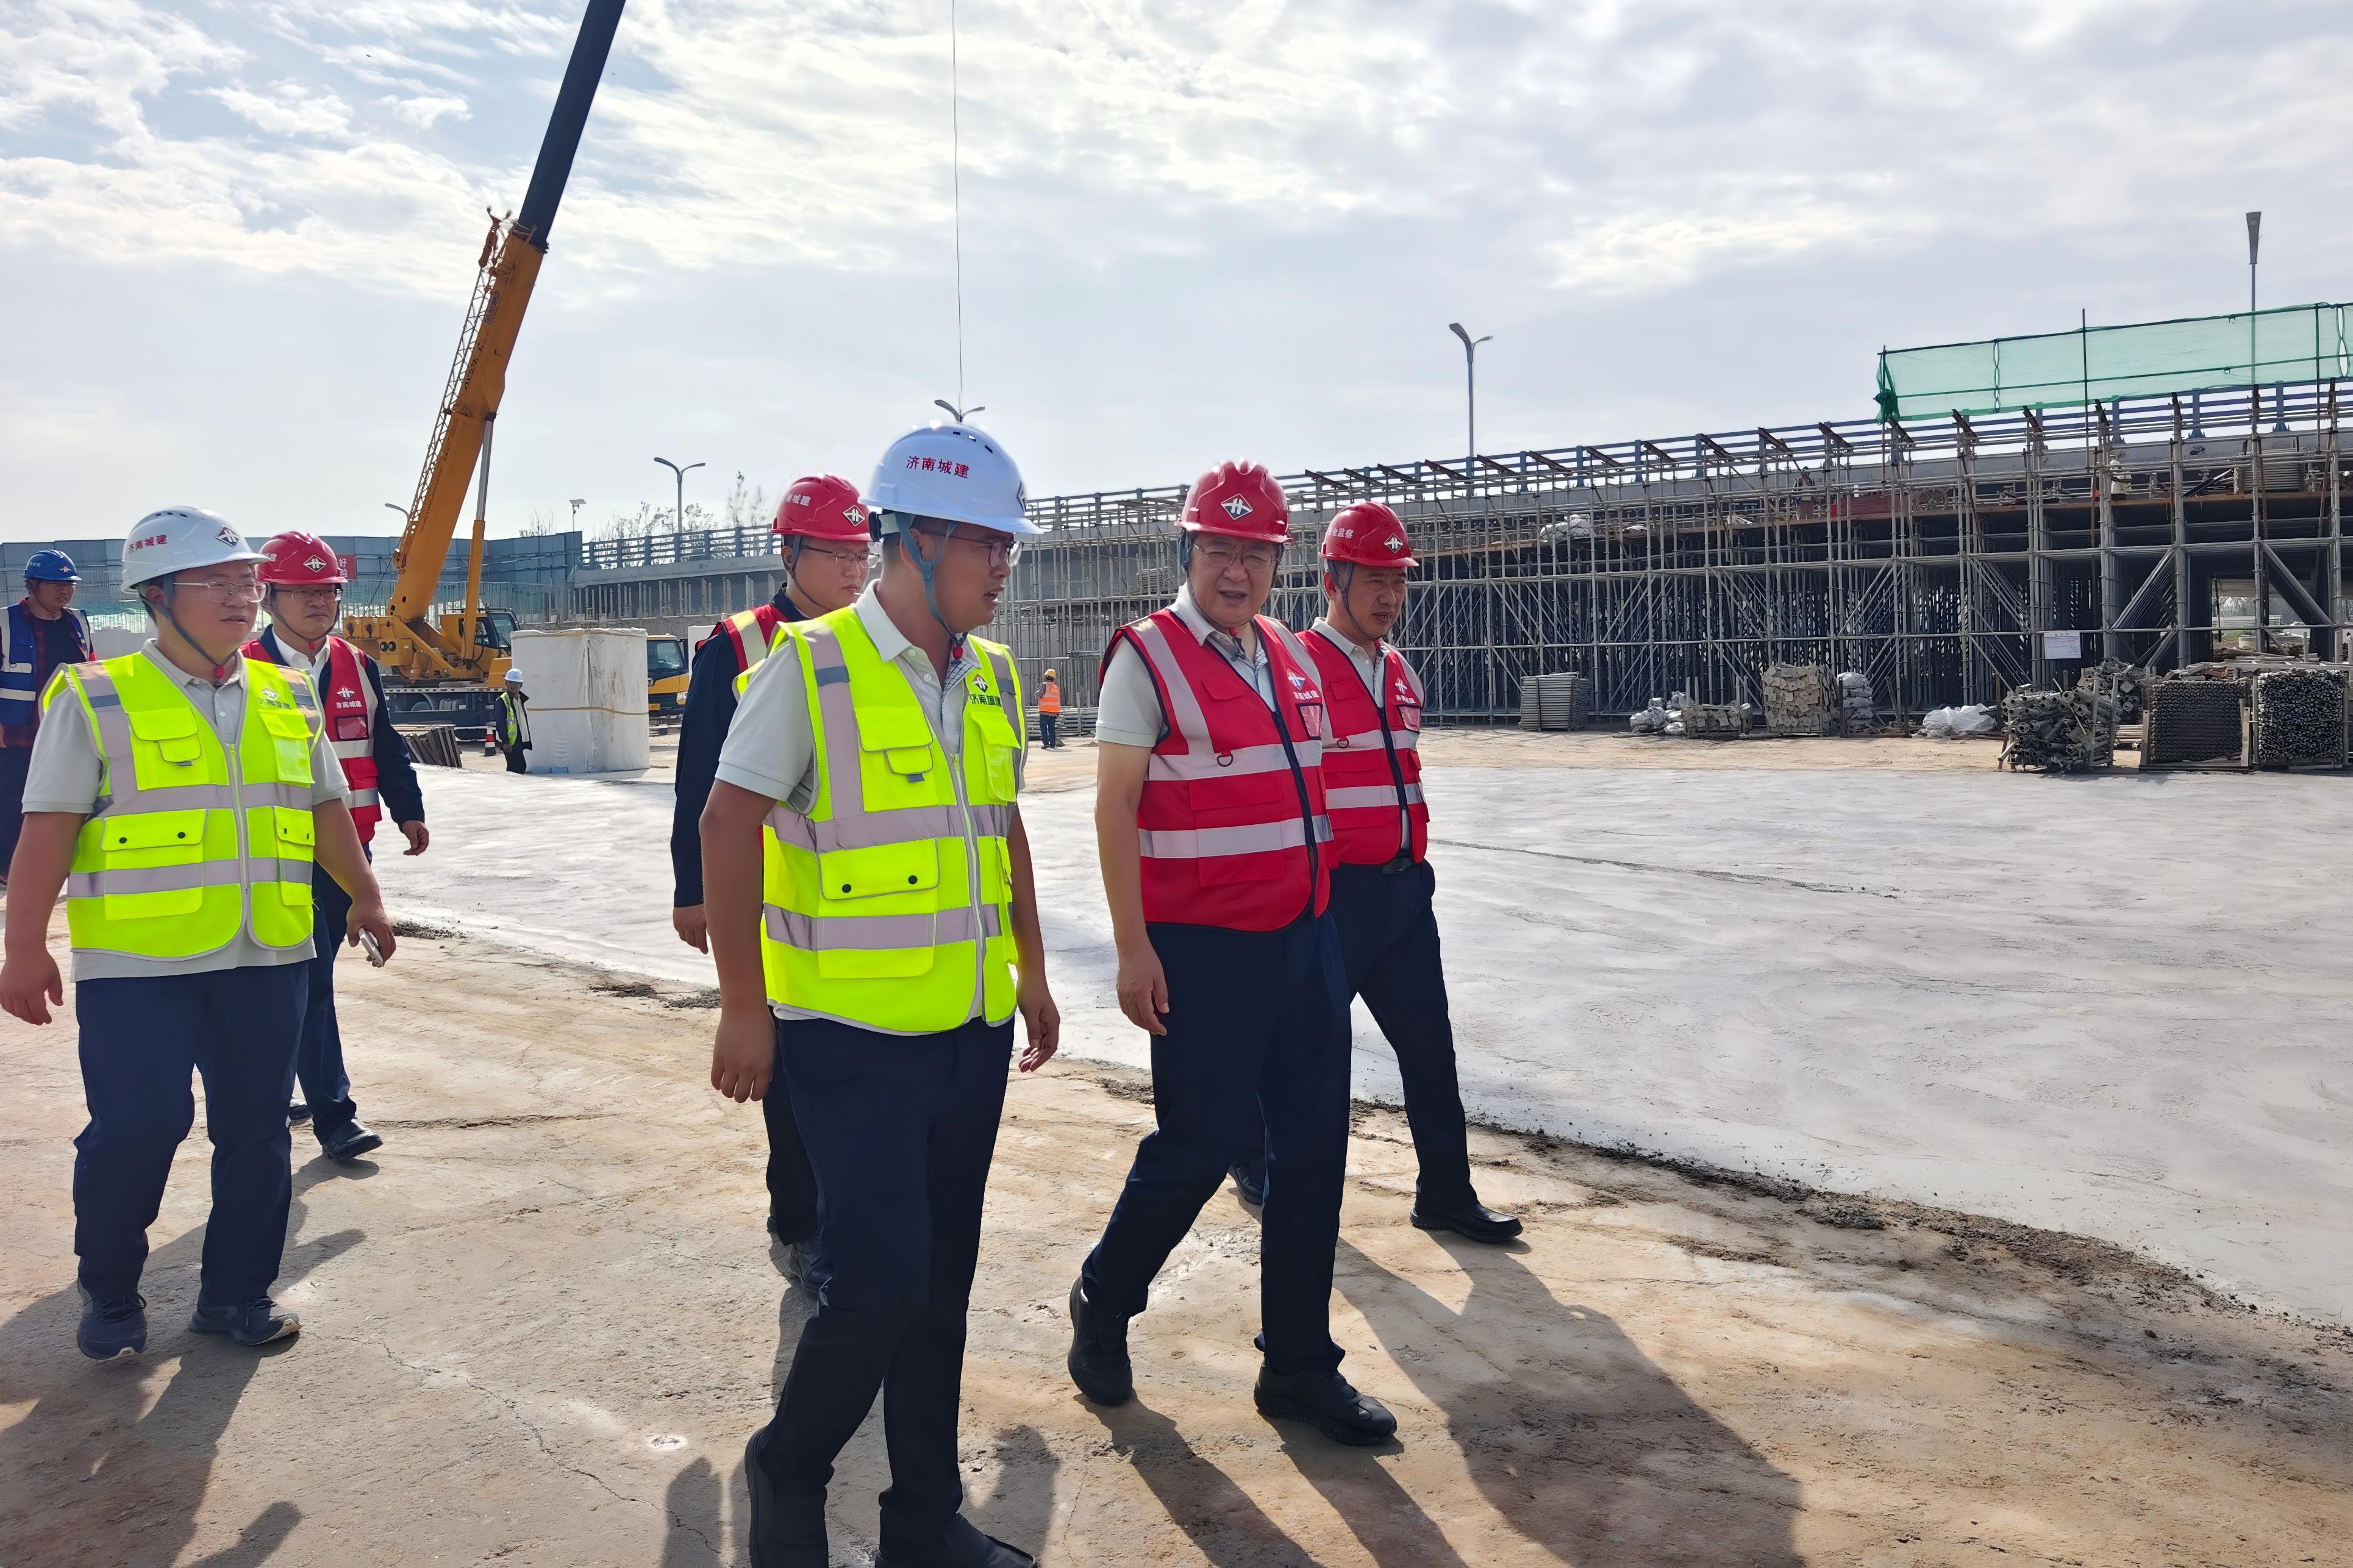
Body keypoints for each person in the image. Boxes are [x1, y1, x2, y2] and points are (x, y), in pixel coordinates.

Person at [702, 421, 1059, 1568]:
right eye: (987, 545)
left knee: (941, 1288)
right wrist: (743, 1004)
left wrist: (1031, 968)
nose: (1002, 567)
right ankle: (788, 1466)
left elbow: (999, 828)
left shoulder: (990, 674)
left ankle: (920, 1521)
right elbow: (726, 823)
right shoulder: (807, 669)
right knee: (875, 1284)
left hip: (969, 1026)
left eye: (1008, 546)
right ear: (914, 541)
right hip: (847, 1038)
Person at [0, 508, 398, 1361]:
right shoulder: (96, 696)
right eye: (214, 582)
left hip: (268, 952)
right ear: (155, 595)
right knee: (137, 1128)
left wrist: (365, 896)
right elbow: (47, 828)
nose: (240, 597)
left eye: (246, 581)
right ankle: (110, 1289)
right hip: (139, 962)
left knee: (257, 1132)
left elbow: (325, 806)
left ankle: (236, 1294)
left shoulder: (287, 694)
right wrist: (23, 946)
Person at [1066, 461, 1396, 1447]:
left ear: (1277, 564)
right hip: (1202, 956)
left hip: (1304, 945)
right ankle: (1103, 1298)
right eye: (1219, 549)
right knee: (1196, 1149)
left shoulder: (1289, 656)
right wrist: (1132, 949)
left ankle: (1296, 1364)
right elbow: (1115, 807)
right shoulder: (1146, 657)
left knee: (1313, 1158)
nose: (1236, 571)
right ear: (1187, 551)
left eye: (1255, 554)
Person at [1227, 504, 1521, 1242]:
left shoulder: (1398, 670)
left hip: (1404, 893)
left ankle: (1445, 1193)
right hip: (1334, 897)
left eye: (1398, 581)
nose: (1389, 596)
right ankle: (1257, 1162)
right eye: (1374, 580)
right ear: (1332, 579)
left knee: (1431, 1051)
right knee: (1302, 1053)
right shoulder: (1292, 666)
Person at [669, 476, 872, 1283]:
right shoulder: (739, 645)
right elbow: (698, 780)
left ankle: (843, 1216)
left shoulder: (872, 640)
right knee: (787, 1079)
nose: (853, 570)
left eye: (861, 554)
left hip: (851, 900)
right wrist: (692, 890)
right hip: (763, 897)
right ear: (789, 553)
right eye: (835, 553)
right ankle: (798, 1225)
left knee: (846, 1073)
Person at [245, 532, 430, 1164]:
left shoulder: (357, 664)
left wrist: (408, 809)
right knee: (301, 982)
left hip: (347, 854)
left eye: (327, 591)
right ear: (269, 598)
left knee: (310, 981)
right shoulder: (242, 669)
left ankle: (300, 1094)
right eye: (302, 592)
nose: (318, 603)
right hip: (271, 857)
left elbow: (384, 743)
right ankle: (331, 1113)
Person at [1, 550, 96, 883]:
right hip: (18, 730)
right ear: (32, 585)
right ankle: (9, 868)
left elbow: (91, 666)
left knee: (67, 797)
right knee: (13, 799)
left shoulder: (78, 621)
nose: (64, 591)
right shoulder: (6, 622)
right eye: (55, 584)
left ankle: (61, 862)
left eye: (69, 585)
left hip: (70, 729)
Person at [497, 670, 531, 773]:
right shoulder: (502, 701)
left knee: (515, 768)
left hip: (519, 740)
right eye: (510, 682)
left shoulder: (521, 699)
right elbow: (500, 723)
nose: (513, 685)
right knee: (519, 767)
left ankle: (509, 783)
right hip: (510, 742)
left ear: (521, 685)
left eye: (516, 683)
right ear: (506, 683)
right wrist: (505, 742)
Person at [1036, 668, 1062, 749]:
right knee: (1052, 729)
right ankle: (1053, 744)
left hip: (1044, 712)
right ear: (1053, 678)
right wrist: (1057, 712)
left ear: (1046, 676)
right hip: (1053, 713)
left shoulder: (1043, 685)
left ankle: (1046, 744)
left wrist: (1037, 692)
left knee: (1044, 729)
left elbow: (1038, 695)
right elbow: (1057, 701)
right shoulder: (1056, 688)